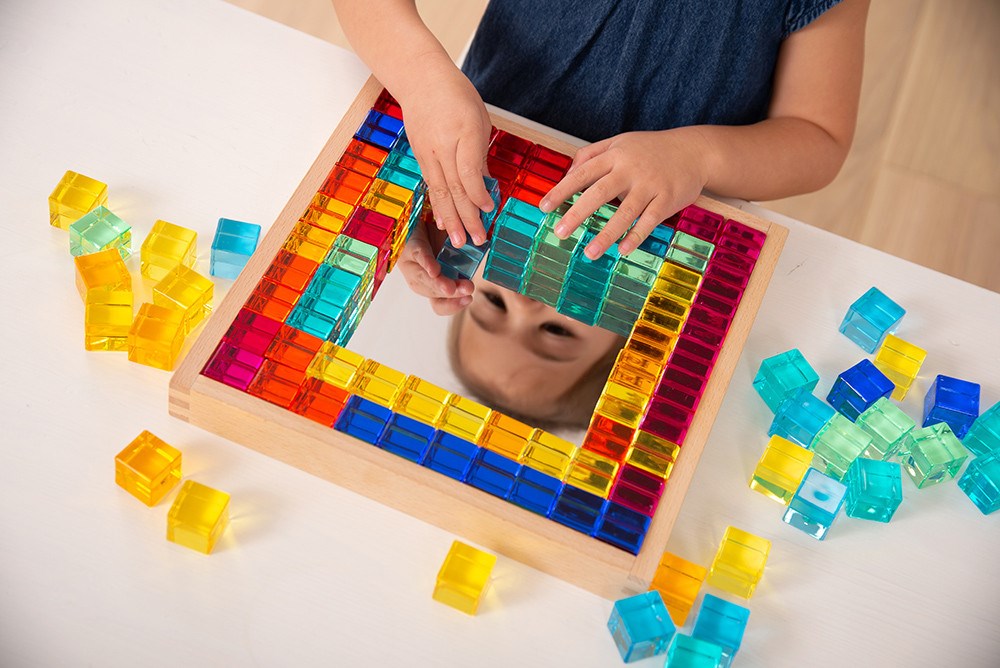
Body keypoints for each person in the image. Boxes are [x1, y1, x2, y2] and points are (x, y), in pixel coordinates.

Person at [332, 0, 869, 427]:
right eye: (557, 333)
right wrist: (699, 156)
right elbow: (817, 139)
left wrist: (423, 83)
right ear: (633, 312)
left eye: (491, 300)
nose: (522, 298)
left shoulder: (479, 158)